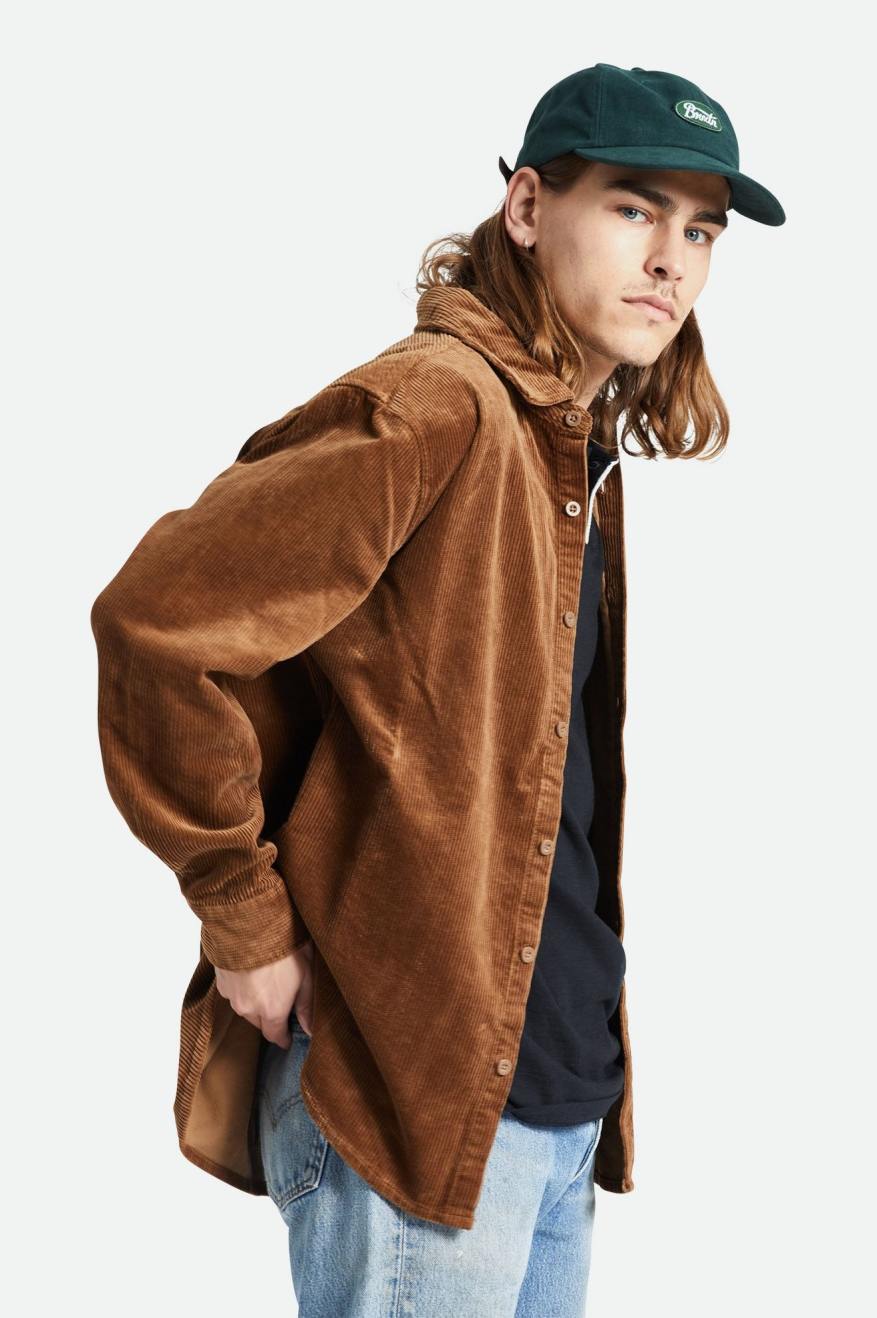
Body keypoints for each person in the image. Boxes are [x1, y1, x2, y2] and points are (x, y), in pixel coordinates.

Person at [90, 62, 784, 1317]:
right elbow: (158, 625)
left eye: (699, 231)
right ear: (527, 207)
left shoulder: (565, 453)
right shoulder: (438, 406)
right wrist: (244, 919)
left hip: (555, 1097)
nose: (669, 261)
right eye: (634, 208)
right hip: (414, 1099)